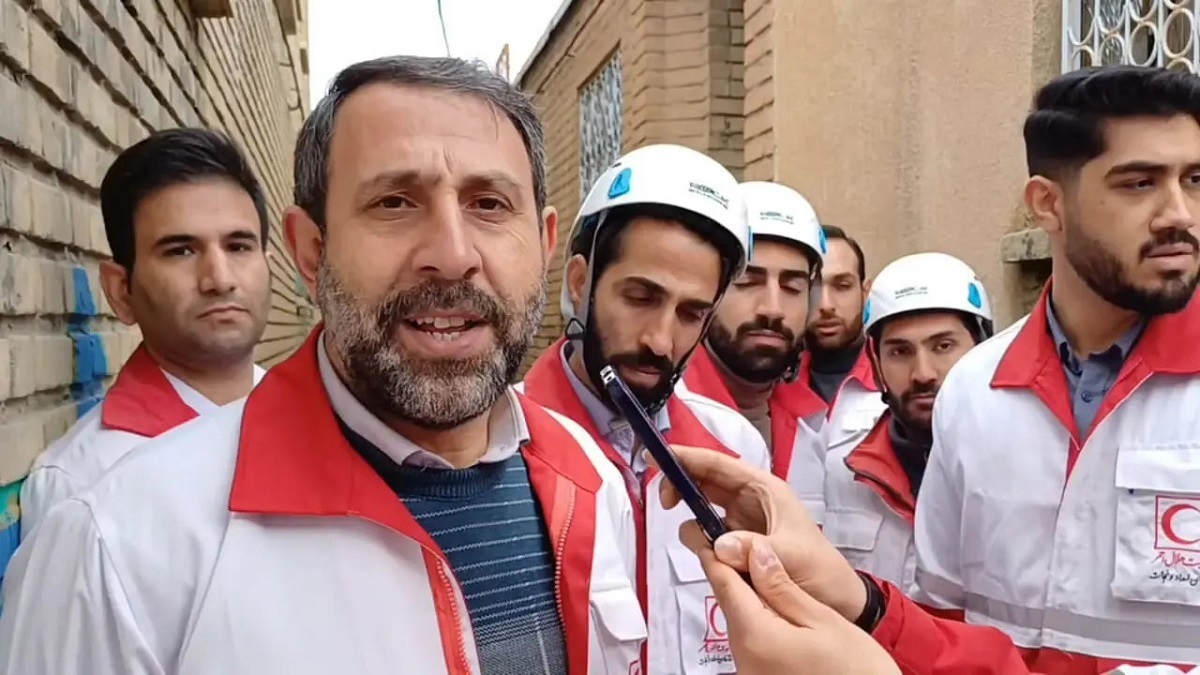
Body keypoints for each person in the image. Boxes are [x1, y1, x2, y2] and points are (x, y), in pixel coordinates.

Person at [0, 56, 646, 675]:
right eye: (394, 202)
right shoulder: (117, 546)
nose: (453, 255)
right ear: (311, 251)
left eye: (490, 204)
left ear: (544, 243)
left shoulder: (592, 481)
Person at [914, 65, 1200, 671]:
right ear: (1048, 204)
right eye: (1139, 183)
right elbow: (939, 619)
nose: (1179, 213)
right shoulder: (974, 388)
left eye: (1195, 179)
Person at [518, 143, 772, 675]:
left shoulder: (736, 450)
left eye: (691, 313)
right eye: (640, 298)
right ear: (580, 283)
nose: (660, 340)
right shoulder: (500, 448)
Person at [20, 128, 272, 538]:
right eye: (181, 251)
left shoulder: (322, 422)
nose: (220, 279)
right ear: (122, 291)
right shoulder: (82, 482)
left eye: (239, 246)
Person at [822, 252, 993, 594]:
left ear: (983, 347)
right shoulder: (837, 468)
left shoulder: (1027, 468)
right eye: (900, 352)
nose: (923, 374)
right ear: (876, 362)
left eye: (943, 346)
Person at [680, 180, 830, 519]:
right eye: (748, 282)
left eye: (792, 287)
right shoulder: (658, 415)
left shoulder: (816, 428)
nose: (772, 309)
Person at [804, 224, 871, 404]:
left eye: (842, 286)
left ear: (865, 292)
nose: (826, 305)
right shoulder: (766, 388)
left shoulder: (894, 380)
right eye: (811, 287)